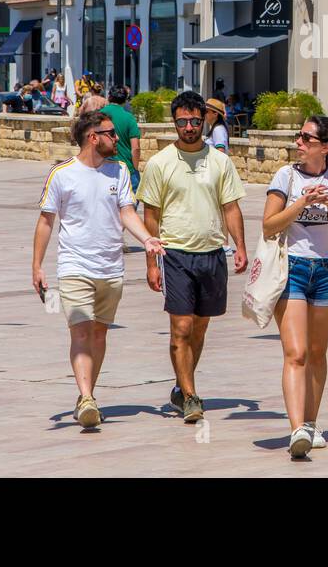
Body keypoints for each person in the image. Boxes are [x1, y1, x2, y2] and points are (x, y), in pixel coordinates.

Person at [32, 110, 164, 429]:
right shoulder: (62, 174)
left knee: (100, 333)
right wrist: (36, 266)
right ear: (93, 137)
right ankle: (88, 396)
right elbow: (46, 222)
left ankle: (86, 395)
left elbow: (127, 212)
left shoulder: (118, 171)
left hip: (110, 267)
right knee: (80, 329)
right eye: (110, 134)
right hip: (75, 265)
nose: (116, 139)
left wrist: (147, 239)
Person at [137, 91, 247, 424]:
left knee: (199, 329)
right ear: (174, 123)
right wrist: (150, 262)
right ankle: (190, 396)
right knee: (181, 328)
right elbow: (151, 215)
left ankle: (181, 385)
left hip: (212, 254)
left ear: (205, 121)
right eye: (182, 121)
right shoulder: (160, 163)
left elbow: (231, 206)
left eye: (195, 121)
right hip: (175, 255)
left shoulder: (219, 161)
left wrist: (240, 246)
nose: (188, 127)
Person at [262, 116, 328, 458]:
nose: (299, 142)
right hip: (293, 270)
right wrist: (300, 203)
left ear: (325, 147)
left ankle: (312, 422)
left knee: (317, 353)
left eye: (306, 138)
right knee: (296, 353)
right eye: (299, 136)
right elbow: (268, 226)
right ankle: (296, 429)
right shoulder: (285, 177)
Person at [100, 86, 142, 197]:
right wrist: (135, 169)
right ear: (125, 100)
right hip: (127, 168)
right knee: (129, 206)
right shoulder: (129, 118)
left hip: (103, 168)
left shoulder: (99, 116)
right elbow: (135, 148)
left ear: (109, 97)